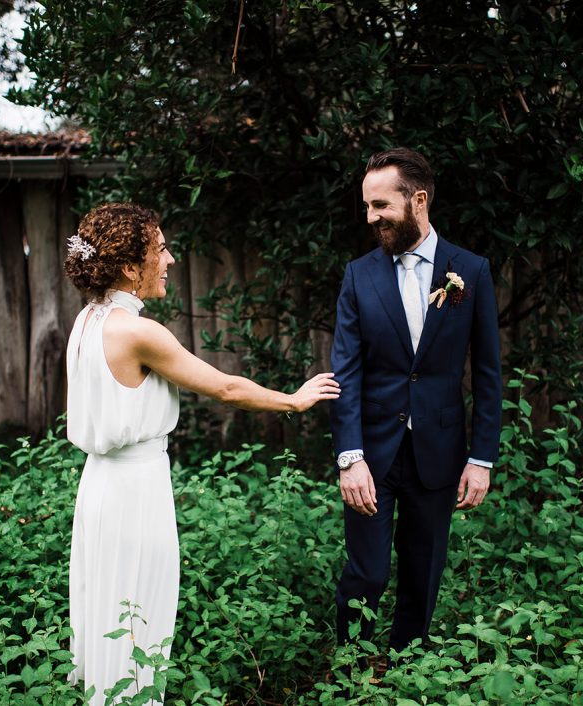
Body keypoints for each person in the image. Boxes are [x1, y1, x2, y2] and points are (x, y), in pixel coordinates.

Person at [63, 202, 339, 704]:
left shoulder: (86, 321)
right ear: (130, 266)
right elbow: (227, 388)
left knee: (109, 606)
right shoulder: (138, 331)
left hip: (100, 488)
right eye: (160, 249)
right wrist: (294, 402)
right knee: (138, 614)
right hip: (134, 495)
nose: (169, 260)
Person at [329, 148, 502, 662]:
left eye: (380, 205)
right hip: (373, 455)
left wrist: (481, 458)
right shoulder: (358, 275)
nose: (370, 217)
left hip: (439, 448)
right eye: (366, 206)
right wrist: (350, 456)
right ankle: (353, 669)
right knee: (368, 571)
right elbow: (346, 373)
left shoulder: (470, 271)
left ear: (418, 200)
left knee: (424, 567)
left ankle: (408, 666)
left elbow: (488, 372)